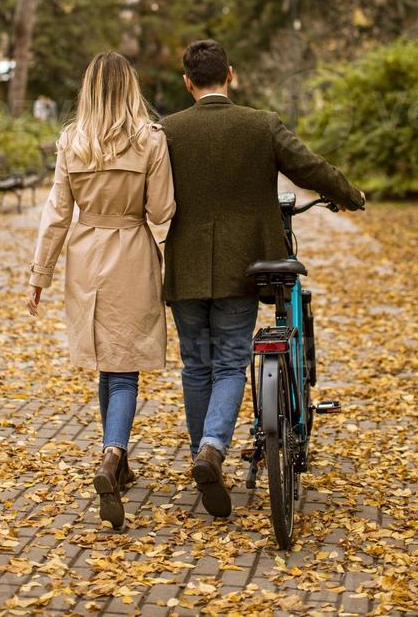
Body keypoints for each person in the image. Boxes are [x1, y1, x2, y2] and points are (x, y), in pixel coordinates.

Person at [162, 39, 365, 519]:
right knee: (232, 363)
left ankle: (203, 454)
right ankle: (213, 448)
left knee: (196, 365)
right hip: (244, 266)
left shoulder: (166, 130)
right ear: (230, 75)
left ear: (188, 82)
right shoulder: (260, 124)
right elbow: (309, 167)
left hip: (186, 266)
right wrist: (350, 194)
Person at [25, 52, 175, 528]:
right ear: (131, 89)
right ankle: (113, 455)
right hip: (131, 250)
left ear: (88, 89)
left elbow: (56, 213)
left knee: (105, 359)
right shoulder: (151, 141)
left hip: (85, 255)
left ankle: (116, 457)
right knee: (124, 363)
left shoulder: (72, 140)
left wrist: (39, 275)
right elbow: (161, 209)